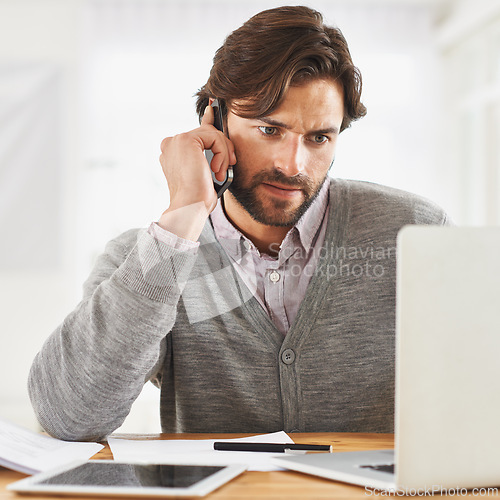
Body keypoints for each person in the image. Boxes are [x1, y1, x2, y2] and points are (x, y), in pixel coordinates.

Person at [28, 6, 449, 441]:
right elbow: (69, 417)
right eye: (270, 130)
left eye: (319, 138)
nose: (293, 165)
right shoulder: (151, 261)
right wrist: (183, 217)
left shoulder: (414, 234)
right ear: (216, 119)